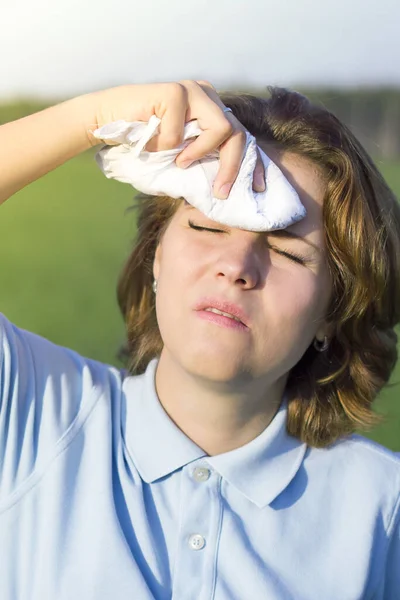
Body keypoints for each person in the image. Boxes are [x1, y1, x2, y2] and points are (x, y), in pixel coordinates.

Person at [0, 80, 399, 600]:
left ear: (333, 311)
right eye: (209, 228)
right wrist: (93, 114)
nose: (236, 267)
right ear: (156, 256)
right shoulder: (32, 408)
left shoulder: (382, 509)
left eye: (289, 252)